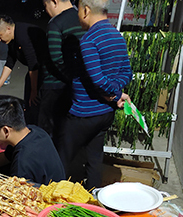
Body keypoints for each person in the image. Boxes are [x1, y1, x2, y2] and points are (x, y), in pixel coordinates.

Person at [56, 0, 133, 190]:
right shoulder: (117, 36)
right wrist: (115, 95)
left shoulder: (89, 40)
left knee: (60, 159)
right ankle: (94, 198)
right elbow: (127, 73)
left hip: (83, 114)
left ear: (85, 11)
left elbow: (97, 79)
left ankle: (53, 201)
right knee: (94, 158)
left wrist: (112, 93)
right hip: (105, 114)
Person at [0, 15, 51, 125]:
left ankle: (36, 127)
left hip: (45, 72)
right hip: (36, 71)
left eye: (0, 36)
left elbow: (33, 65)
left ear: (8, 29)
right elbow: (10, 62)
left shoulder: (23, 35)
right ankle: (29, 122)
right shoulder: (12, 39)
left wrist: (34, 91)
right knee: (29, 102)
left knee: (35, 103)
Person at [39, 0, 85, 143]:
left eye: (45, 6)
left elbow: (56, 58)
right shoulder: (84, 18)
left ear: (54, 1)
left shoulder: (56, 24)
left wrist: (70, 78)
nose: (46, 11)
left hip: (55, 85)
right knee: (67, 130)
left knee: (47, 132)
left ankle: (49, 163)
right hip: (80, 84)